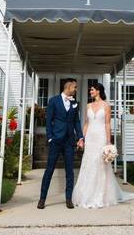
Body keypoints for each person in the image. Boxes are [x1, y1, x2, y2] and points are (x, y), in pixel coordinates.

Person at [71, 82, 133, 209]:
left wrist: (108, 141)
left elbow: (107, 124)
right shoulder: (88, 105)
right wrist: (82, 138)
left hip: (101, 137)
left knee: (100, 165)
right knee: (88, 164)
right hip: (90, 138)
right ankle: (85, 195)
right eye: (90, 90)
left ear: (98, 91)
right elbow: (86, 123)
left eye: (92, 90)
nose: (90, 92)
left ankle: (100, 196)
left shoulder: (106, 106)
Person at [38, 79, 83, 209]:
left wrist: (80, 136)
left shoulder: (75, 103)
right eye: (74, 87)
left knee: (70, 171)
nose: (75, 90)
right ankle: (42, 199)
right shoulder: (53, 101)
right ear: (68, 88)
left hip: (69, 141)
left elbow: (76, 121)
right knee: (49, 170)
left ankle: (68, 199)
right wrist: (50, 137)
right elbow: (48, 121)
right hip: (56, 140)